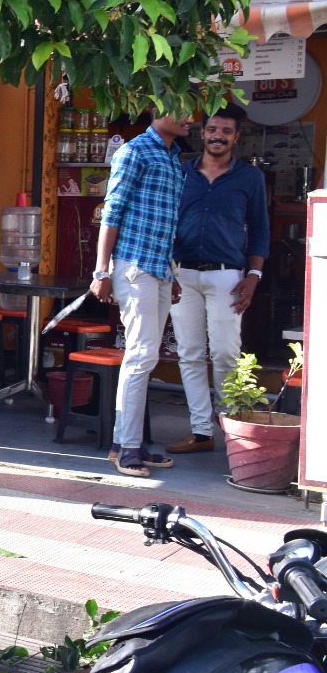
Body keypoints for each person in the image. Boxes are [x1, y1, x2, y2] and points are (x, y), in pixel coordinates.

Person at [90, 111, 196, 477]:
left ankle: (125, 442)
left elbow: (165, 223)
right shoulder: (134, 152)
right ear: (158, 111)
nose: (191, 118)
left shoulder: (171, 156)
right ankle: (128, 448)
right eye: (182, 110)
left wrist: (173, 273)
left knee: (146, 358)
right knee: (141, 355)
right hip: (134, 266)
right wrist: (101, 271)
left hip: (160, 268)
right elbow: (112, 212)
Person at [167, 106, 269, 454]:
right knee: (190, 353)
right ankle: (201, 432)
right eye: (212, 129)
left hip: (228, 275)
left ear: (236, 137)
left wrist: (253, 276)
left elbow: (259, 230)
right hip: (183, 275)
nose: (218, 136)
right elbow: (164, 226)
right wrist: (168, 271)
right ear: (203, 132)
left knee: (226, 352)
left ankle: (233, 431)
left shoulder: (250, 177)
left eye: (226, 131)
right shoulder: (180, 173)